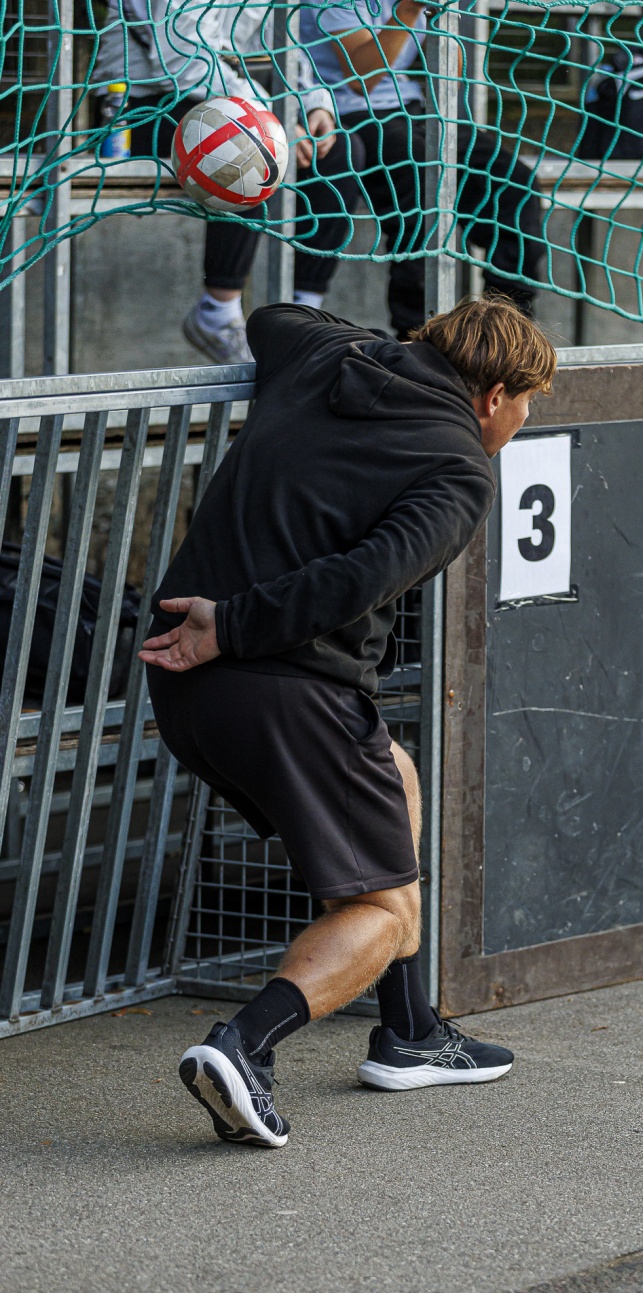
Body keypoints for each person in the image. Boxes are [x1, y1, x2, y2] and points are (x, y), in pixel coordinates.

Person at [140, 295, 557, 1147]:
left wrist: (378, 347)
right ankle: (243, 1046)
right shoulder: (460, 469)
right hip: (277, 683)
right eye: (527, 403)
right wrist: (236, 626)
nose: (522, 421)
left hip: (184, 680)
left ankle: (409, 1032)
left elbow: (272, 316)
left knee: (395, 775)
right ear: (494, 396)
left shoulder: (320, 355)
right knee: (385, 912)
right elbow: (359, 579)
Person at [92, 0, 360, 363]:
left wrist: (313, 104)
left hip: (236, 101)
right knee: (249, 145)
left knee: (342, 150)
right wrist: (274, 118)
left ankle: (304, 317)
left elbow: (283, 49)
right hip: (142, 104)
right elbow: (179, 60)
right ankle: (217, 312)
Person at [300, 0, 546, 338]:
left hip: (412, 108)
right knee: (421, 187)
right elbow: (362, 79)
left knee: (514, 183)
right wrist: (409, 9)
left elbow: (450, 79)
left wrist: (442, 14)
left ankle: (506, 328)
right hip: (344, 113)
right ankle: (417, 335)